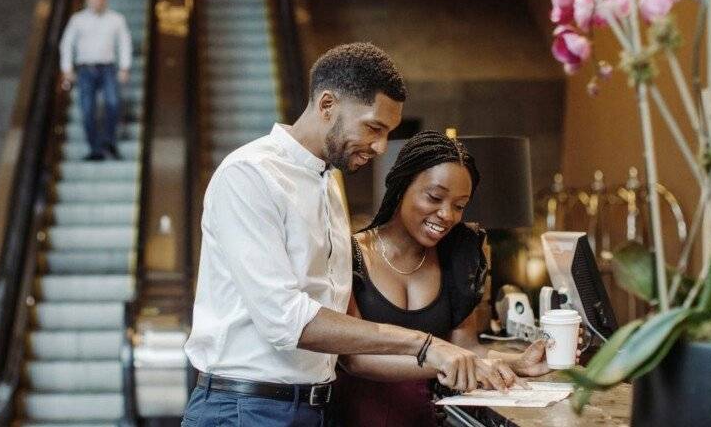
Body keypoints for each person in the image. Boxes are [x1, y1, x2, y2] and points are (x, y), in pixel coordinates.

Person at [183, 43, 521, 427]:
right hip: (247, 409)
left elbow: (346, 349)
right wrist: (422, 343)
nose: (380, 147)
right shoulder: (250, 175)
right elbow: (285, 320)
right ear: (327, 104)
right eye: (374, 128)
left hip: (312, 409)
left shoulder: (328, 181)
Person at [332, 131, 562, 426]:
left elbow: (465, 347)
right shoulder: (350, 255)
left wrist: (517, 363)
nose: (446, 215)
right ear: (402, 186)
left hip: (433, 419)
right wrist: (438, 358)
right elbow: (354, 359)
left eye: (459, 205)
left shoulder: (457, 255)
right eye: (435, 197)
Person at [58, 0, 132, 161]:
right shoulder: (77, 20)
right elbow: (66, 44)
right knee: (87, 110)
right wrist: (67, 68)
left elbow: (124, 43)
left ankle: (109, 142)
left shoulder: (116, 19)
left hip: (107, 68)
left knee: (113, 103)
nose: (95, 1)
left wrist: (124, 67)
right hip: (85, 70)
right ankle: (95, 149)